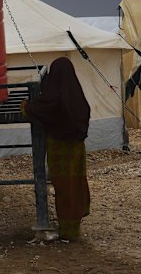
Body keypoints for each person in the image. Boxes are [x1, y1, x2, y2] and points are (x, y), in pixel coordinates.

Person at [21, 57, 91, 241]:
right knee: (75, 185)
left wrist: (27, 107)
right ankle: (73, 228)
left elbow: (43, 110)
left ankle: (67, 232)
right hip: (77, 149)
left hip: (60, 150)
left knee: (63, 187)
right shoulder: (77, 97)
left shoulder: (53, 97)